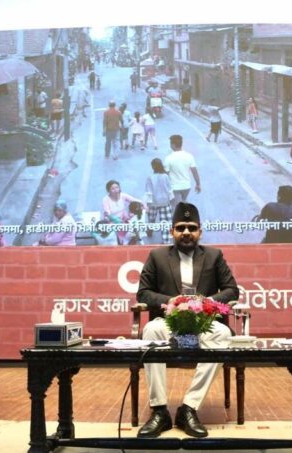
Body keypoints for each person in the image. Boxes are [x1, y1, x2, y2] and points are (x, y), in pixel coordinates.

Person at [136, 202, 239, 439]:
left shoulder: (214, 256)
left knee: (223, 335)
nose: (186, 232)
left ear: (200, 232)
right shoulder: (157, 256)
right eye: (180, 227)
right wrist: (172, 301)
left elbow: (232, 290)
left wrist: (205, 303)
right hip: (169, 322)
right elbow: (143, 293)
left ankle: (189, 408)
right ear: (172, 231)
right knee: (150, 330)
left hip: (203, 322)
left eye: (191, 228)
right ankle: (160, 411)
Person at [102, 180, 144, 244]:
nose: (116, 190)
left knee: (134, 225)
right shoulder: (105, 199)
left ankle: (138, 242)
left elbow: (134, 200)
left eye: (117, 187)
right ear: (109, 190)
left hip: (124, 220)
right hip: (112, 222)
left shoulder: (123, 195)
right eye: (113, 189)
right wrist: (116, 221)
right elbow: (107, 214)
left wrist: (143, 204)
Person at [163, 134, 200, 207]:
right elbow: (194, 172)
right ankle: (186, 215)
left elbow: (165, 175)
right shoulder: (189, 156)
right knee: (184, 201)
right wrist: (198, 184)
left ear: (173, 145)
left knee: (177, 207)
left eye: (170, 143)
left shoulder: (168, 158)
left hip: (175, 187)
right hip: (187, 186)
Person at [145, 158, 174, 244]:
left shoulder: (150, 177)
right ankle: (166, 241)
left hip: (154, 202)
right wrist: (172, 201)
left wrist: (148, 203)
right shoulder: (165, 176)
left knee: (151, 218)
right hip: (165, 202)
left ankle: (150, 230)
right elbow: (170, 189)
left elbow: (148, 191)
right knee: (165, 222)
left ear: (153, 167)